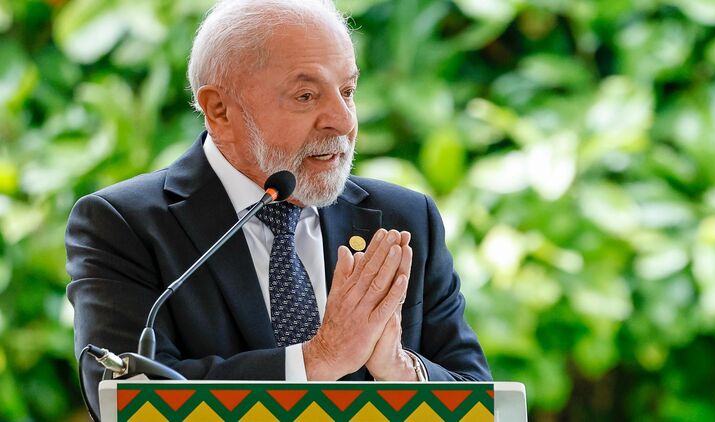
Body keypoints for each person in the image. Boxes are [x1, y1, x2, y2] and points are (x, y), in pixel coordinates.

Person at [66, 0, 491, 415]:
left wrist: (399, 369)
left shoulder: (406, 218)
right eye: (306, 96)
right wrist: (317, 360)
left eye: (347, 91)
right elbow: (122, 391)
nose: (343, 121)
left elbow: (484, 401)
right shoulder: (121, 224)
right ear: (220, 110)